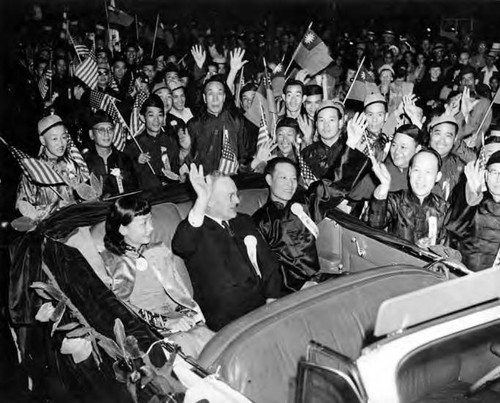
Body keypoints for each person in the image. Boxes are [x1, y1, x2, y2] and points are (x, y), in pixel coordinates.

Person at [172, 164, 283, 331]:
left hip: (264, 308)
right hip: (228, 321)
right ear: (209, 202)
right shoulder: (195, 229)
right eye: (230, 196)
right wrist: (201, 200)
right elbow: (181, 246)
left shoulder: (244, 221)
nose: (238, 201)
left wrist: (273, 297)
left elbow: (269, 263)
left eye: (236, 194)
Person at [100, 196, 214, 357]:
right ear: (123, 229)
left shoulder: (158, 252)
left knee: (209, 337)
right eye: (143, 224)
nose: (151, 228)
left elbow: (176, 293)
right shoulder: (113, 263)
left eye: (150, 221)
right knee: (184, 343)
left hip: (175, 320)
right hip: (145, 330)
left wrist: (186, 315)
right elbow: (122, 308)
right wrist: (168, 323)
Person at [368, 149, 448, 247]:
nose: (420, 177)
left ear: (437, 176)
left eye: (428, 172)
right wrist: (384, 186)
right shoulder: (395, 200)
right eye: (416, 170)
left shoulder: (444, 208)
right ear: (409, 172)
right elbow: (374, 226)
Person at [16, 114, 89, 219]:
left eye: (64, 137)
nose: (61, 143)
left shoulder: (72, 165)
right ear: (42, 140)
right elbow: (23, 207)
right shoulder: (33, 170)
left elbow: (84, 196)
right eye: (54, 139)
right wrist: (55, 208)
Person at [447, 152, 500, 271]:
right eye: (494, 172)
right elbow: (454, 229)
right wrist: (472, 194)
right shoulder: (474, 199)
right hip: (466, 276)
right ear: (486, 175)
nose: (498, 178)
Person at [188, 76, 249, 173]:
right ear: (204, 98)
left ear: (224, 97)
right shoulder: (194, 124)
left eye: (219, 93)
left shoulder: (236, 120)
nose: (215, 99)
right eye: (211, 93)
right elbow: (189, 158)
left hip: (231, 179)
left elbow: (243, 155)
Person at [124, 94, 181, 189]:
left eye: (160, 115)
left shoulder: (171, 140)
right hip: (146, 196)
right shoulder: (134, 145)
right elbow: (126, 176)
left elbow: (178, 167)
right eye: (151, 115)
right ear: (143, 118)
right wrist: (137, 162)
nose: (156, 120)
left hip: (171, 193)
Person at [84, 110, 138, 196]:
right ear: (91, 134)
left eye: (110, 129)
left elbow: (134, 189)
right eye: (101, 130)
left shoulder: (124, 159)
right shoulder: (84, 162)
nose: (106, 134)